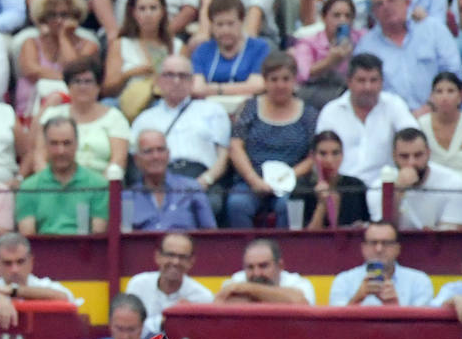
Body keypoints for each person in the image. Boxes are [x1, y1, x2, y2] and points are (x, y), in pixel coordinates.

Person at [226, 52, 319, 229]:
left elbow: (314, 155)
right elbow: (236, 146)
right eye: (274, 79)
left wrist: (287, 178)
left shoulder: (309, 114)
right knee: (237, 204)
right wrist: (254, 180)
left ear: (294, 80)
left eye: (286, 79)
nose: (280, 85)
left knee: (287, 205)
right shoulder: (250, 108)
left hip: (291, 182)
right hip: (251, 180)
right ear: (265, 81)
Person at [131, 55, 231, 195]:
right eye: (169, 75)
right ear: (158, 81)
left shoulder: (213, 110)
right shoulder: (144, 119)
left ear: (192, 81)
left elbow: (223, 157)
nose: (176, 81)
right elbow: (136, 161)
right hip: (159, 180)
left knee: (211, 204)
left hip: (202, 179)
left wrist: (205, 180)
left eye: (183, 76)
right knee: (127, 207)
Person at [315, 54, 420, 183]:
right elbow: (320, 156)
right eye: (361, 80)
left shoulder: (394, 105)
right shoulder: (331, 112)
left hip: (385, 186)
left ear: (382, 82)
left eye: (373, 80)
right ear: (349, 82)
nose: (368, 87)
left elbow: (413, 138)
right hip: (343, 188)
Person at [352, 0, 462, 113]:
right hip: (389, 120)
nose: (386, 7)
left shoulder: (434, 30)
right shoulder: (366, 46)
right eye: (379, 4)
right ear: (373, 12)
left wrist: (429, 107)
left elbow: (453, 73)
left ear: (406, 3)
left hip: (439, 113)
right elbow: (363, 90)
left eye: (391, 0)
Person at [35, 58, 131, 176]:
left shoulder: (115, 118)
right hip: (56, 186)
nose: (82, 86)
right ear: (68, 86)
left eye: (88, 81)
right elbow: (39, 158)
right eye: (77, 81)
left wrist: (98, 188)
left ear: (98, 86)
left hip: (101, 187)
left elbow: (118, 160)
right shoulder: (52, 115)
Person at [0, 233, 79, 328]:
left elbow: (66, 297)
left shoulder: (43, 284)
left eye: (20, 262)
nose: (15, 269)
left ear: (31, 262)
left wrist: (13, 291)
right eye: (7, 263)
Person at [16, 116, 109, 234]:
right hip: (43, 250)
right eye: (54, 143)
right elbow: (28, 235)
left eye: (67, 143)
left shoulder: (99, 184)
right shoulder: (29, 187)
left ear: (76, 144)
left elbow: (98, 233)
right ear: (46, 145)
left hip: (86, 250)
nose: (61, 151)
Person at [15, 0, 101, 118]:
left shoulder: (89, 45)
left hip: (74, 113)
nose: (58, 20)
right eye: (52, 15)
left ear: (74, 16)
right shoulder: (31, 43)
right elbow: (31, 71)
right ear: (44, 17)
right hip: (31, 112)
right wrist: (67, 78)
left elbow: (75, 68)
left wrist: (63, 37)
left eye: (64, 15)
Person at [365, 127, 462, 230]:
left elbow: (452, 235)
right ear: (394, 157)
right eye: (404, 156)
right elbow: (383, 234)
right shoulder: (377, 189)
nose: (411, 163)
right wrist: (397, 192)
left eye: (418, 155)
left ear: (428, 153)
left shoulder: (453, 183)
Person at [101, 0, 180, 121]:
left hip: (161, 101)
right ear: (133, 13)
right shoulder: (120, 44)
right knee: (107, 105)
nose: (148, 14)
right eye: (142, 9)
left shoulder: (177, 46)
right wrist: (131, 73)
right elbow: (107, 89)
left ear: (163, 12)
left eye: (153, 8)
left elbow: (184, 84)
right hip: (126, 100)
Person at [328, 220, 434, 305]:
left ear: (397, 248)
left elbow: (420, 329)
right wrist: (357, 299)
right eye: (373, 243)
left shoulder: (419, 281)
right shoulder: (343, 281)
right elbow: (337, 326)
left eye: (386, 243)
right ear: (363, 248)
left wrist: (394, 306)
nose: (379, 249)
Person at [125, 231, 214, 333]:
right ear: (158, 256)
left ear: (191, 261)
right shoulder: (138, 285)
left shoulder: (203, 298)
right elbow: (128, 330)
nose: (176, 262)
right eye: (170, 255)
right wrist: (166, 320)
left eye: (182, 257)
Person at [128, 130, 217, 230]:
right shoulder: (128, 197)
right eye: (148, 151)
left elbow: (210, 235)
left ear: (168, 154)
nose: (156, 156)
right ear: (136, 159)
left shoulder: (192, 189)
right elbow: (123, 240)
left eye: (161, 150)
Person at [188, 0, 269, 102]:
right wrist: (241, 88)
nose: (225, 30)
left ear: (241, 21)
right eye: (219, 24)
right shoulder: (202, 50)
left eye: (231, 24)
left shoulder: (259, 47)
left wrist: (217, 89)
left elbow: (258, 85)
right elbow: (197, 88)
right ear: (211, 25)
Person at [291, 0, 365, 109]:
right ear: (324, 18)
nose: (342, 20)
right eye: (337, 15)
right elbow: (302, 74)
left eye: (347, 16)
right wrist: (330, 62)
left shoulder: (361, 38)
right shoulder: (309, 42)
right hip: (319, 92)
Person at [292, 130, 371, 229]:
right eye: (323, 154)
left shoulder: (355, 185)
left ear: (342, 155)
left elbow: (366, 225)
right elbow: (305, 237)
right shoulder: (302, 187)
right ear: (312, 156)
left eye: (335, 153)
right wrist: (322, 204)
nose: (330, 160)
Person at [215, 238, 316, 304]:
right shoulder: (236, 280)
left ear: (280, 266)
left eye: (263, 266)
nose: (257, 273)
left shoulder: (298, 283)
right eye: (250, 267)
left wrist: (247, 289)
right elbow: (218, 304)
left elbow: (301, 303)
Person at [72, 292, 150, 339]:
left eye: (131, 329)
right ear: (110, 325)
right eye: (119, 329)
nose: (125, 337)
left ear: (142, 326)